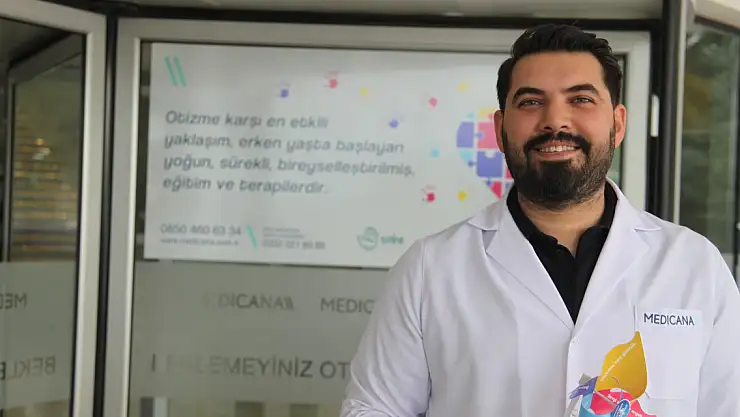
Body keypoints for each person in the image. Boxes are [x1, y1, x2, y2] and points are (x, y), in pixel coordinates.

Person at [339, 24, 740, 417]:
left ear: (618, 124)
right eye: (531, 102)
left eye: (580, 99)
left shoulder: (693, 265)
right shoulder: (431, 268)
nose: (555, 121)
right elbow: (372, 408)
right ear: (500, 129)